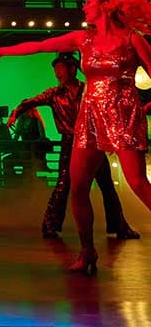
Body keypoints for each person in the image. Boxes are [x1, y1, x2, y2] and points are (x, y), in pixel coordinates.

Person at [0, 0, 151, 274]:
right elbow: (39, 46)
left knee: (137, 183)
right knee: (78, 186)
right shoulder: (82, 39)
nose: (84, 5)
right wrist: (3, 50)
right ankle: (87, 251)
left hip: (123, 113)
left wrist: (145, 108)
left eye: (88, 1)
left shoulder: (132, 39)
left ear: (106, 6)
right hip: (91, 116)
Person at [7, 52, 139, 240]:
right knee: (63, 183)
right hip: (71, 142)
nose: (57, 73)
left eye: (60, 68)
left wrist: (110, 138)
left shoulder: (88, 91)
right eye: (55, 69)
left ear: (72, 69)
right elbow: (30, 102)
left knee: (106, 185)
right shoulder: (54, 94)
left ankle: (119, 226)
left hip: (93, 142)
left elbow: (105, 115)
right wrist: (16, 112)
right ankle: (50, 225)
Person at [3, 107, 50, 180]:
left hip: (33, 152)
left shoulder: (37, 121)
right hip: (24, 152)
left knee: (23, 161)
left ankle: (19, 181)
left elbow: (42, 137)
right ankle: (12, 181)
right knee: (6, 160)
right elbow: (16, 137)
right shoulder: (21, 121)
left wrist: (33, 143)